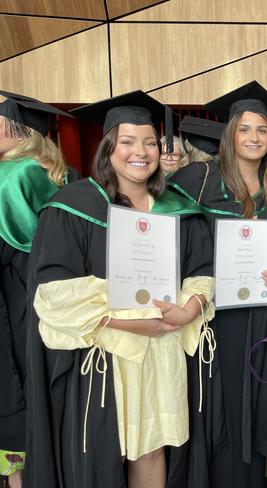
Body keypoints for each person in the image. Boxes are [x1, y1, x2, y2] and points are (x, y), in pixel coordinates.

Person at [24, 91, 215, 488]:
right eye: (127, 142)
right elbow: (55, 294)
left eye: (149, 142)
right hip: (105, 355)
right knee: (102, 449)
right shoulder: (72, 207)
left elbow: (204, 270)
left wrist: (189, 309)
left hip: (162, 350)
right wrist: (132, 323)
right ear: (108, 147)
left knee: (154, 447)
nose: (140, 152)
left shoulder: (177, 206)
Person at [169, 80, 267, 487]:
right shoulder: (197, 178)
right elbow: (172, 237)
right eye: (245, 129)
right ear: (230, 134)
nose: (253, 138)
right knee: (217, 404)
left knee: (253, 404)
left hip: (260, 313)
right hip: (215, 317)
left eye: (261, 130)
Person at [0, 91, 74, 488]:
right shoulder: (66, 174)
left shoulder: (12, 177)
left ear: (18, 129)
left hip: (18, 303)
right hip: (60, 303)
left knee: (19, 398)